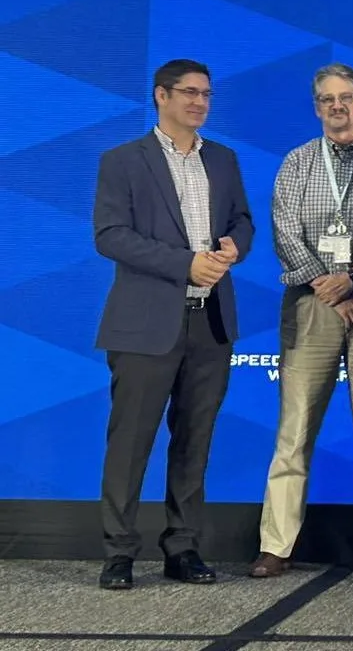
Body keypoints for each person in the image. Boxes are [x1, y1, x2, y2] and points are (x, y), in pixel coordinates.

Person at [93, 59, 254, 590]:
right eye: (189, 93)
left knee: (194, 441)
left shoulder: (224, 159)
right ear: (160, 96)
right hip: (145, 325)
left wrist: (234, 247)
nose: (199, 102)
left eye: (206, 94)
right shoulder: (122, 161)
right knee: (130, 442)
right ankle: (119, 551)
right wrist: (185, 264)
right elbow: (110, 235)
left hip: (210, 323)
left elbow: (242, 221)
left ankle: (182, 547)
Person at [251, 64, 353, 579]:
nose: (337, 106)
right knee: (294, 429)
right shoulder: (297, 162)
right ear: (317, 106)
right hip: (311, 305)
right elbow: (283, 230)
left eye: (346, 97)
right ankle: (276, 545)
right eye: (327, 99)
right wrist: (328, 286)